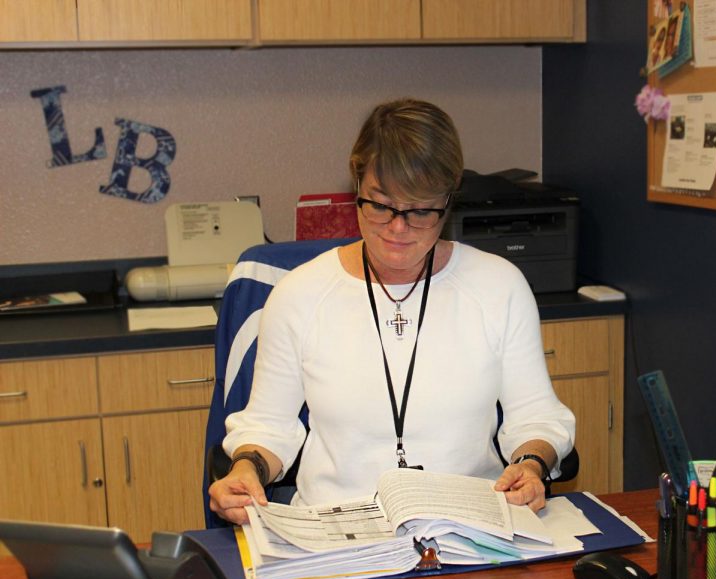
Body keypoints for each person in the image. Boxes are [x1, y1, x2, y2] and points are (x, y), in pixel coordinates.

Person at [208, 98, 576, 525]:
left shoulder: (498, 286)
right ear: (357, 184)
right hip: (337, 527)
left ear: (449, 198)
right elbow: (268, 427)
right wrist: (245, 470)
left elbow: (537, 418)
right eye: (381, 205)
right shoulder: (300, 294)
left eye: (420, 210)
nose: (398, 229)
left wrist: (531, 465)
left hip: (470, 528)